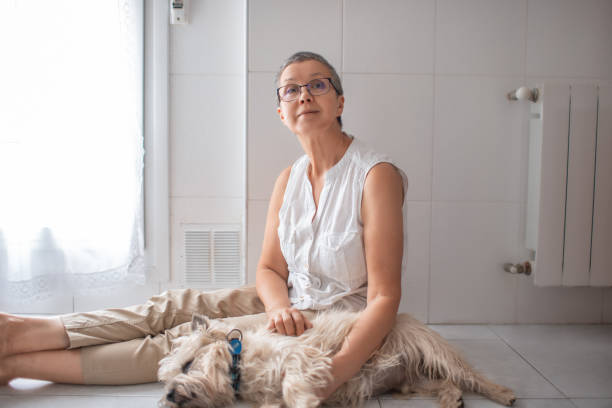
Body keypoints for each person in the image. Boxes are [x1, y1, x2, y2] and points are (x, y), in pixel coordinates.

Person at [0, 51, 408, 400]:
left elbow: (384, 297)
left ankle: (20, 363)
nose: (304, 95)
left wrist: (333, 373)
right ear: (281, 113)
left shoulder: (375, 176)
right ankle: (18, 330)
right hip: (291, 303)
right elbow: (270, 270)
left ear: (339, 102)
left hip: (331, 319)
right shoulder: (290, 178)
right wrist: (279, 305)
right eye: (291, 89)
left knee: (190, 340)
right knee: (174, 305)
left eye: (318, 85)